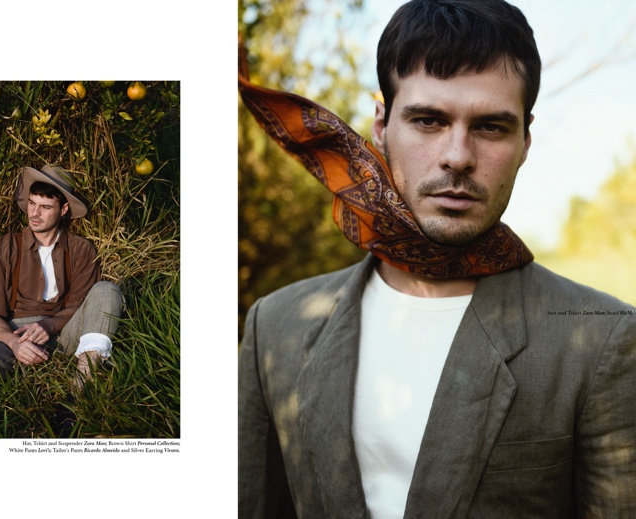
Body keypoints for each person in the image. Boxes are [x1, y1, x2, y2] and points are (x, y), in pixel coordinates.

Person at [237, 0, 636, 516]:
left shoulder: (604, 338)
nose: (457, 155)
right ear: (381, 125)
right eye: (428, 120)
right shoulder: (276, 325)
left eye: (492, 126)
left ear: (526, 141)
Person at [0, 164, 123, 439]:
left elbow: (79, 304)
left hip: (66, 330)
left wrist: (50, 325)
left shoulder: (81, 248)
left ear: (63, 210)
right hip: (15, 332)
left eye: (45, 207)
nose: (34, 214)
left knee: (108, 290)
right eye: (31, 204)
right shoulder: (2, 247)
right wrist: (15, 343)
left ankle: (75, 405)